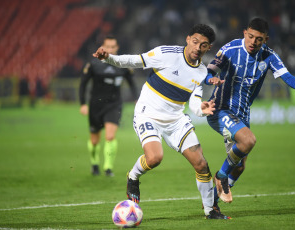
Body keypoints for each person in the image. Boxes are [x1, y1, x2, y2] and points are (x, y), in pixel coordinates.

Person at [93, 24, 230, 219]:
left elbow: (194, 103)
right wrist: (109, 58)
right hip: (147, 114)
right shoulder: (166, 53)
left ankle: (210, 211)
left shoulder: (201, 73)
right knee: (155, 158)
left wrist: (201, 109)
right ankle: (133, 176)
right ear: (188, 39)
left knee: (201, 163)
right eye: (195, 42)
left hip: (176, 120)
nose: (198, 48)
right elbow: (134, 61)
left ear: (209, 48)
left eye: (204, 45)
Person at [204, 18, 295, 204]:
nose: (253, 42)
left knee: (240, 167)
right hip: (220, 109)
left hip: (242, 114)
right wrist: (210, 78)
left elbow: (286, 75)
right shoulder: (231, 49)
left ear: (265, 39)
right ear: (245, 33)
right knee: (248, 140)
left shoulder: (268, 55)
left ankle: (211, 204)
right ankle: (220, 176)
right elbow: (210, 69)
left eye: (258, 39)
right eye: (250, 36)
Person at [79, 36, 138, 177]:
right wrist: (82, 104)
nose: (110, 49)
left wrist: (137, 99)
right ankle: (94, 164)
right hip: (95, 106)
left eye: (113, 47)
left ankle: (108, 167)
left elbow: (132, 84)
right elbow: (83, 84)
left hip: (114, 104)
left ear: (117, 48)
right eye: (108, 46)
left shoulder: (123, 65)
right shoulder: (94, 64)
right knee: (94, 140)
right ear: (103, 47)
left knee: (110, 136)